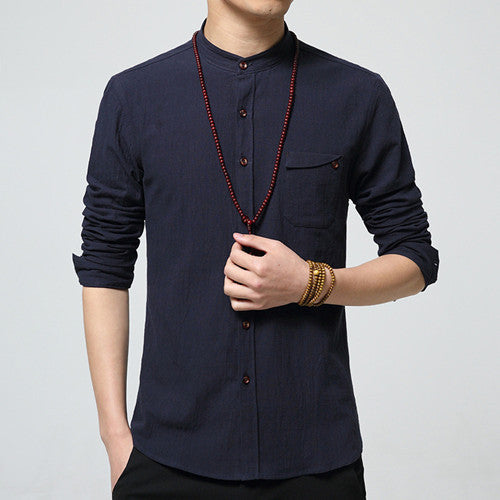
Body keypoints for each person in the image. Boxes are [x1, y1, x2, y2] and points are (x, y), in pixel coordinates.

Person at [71, 1, 439, 498]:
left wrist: (311, 283)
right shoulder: (134, 97)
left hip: (315, 459)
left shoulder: (357, 94)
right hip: (168, 458)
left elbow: (415, 257)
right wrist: (116, 439)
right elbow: (105, 266)